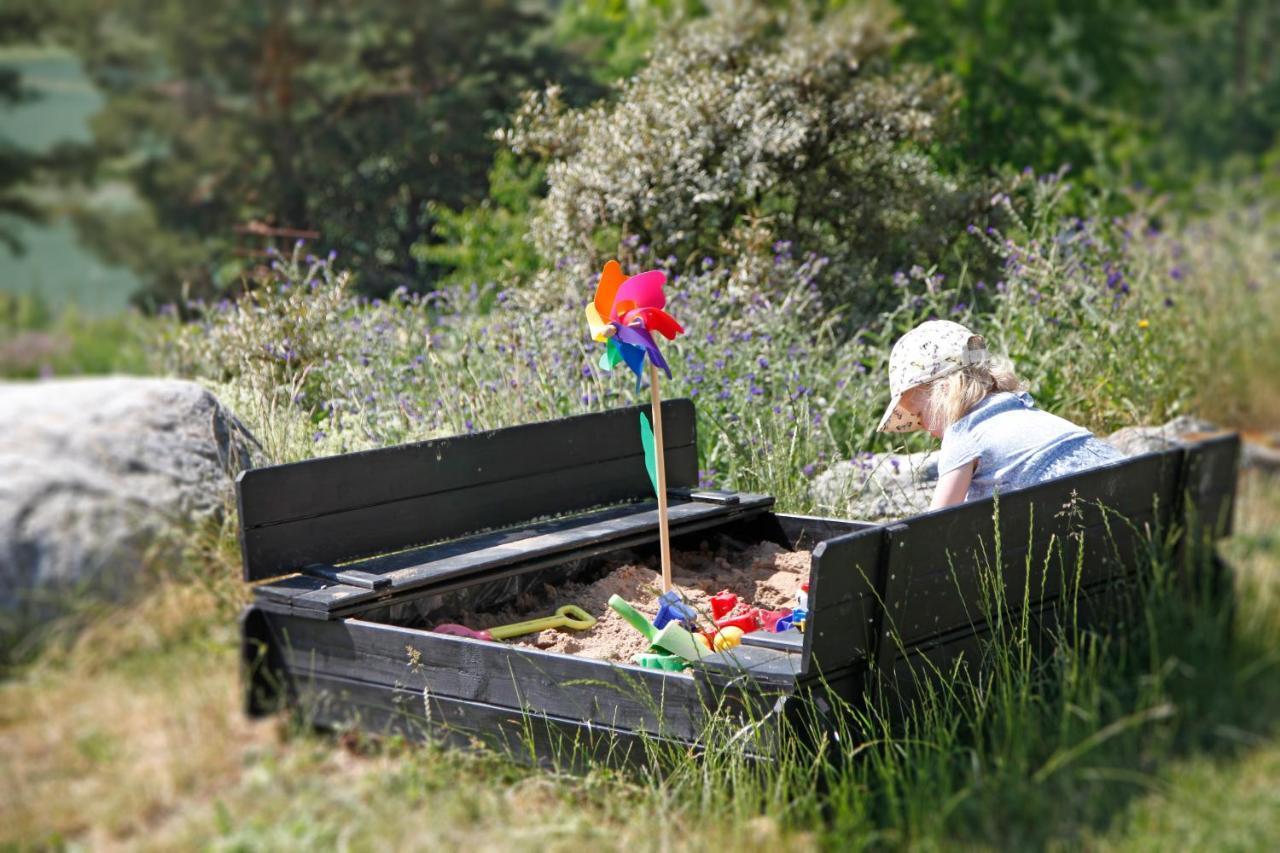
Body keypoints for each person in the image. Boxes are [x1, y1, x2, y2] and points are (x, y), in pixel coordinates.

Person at [876, 320, 1126, 510]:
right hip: (1123, 483)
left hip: (1074, 511)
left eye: (920, 415)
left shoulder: (963, 434)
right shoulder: (1020, 408)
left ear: (942, 391)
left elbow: (936, 526)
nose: (924, 427)